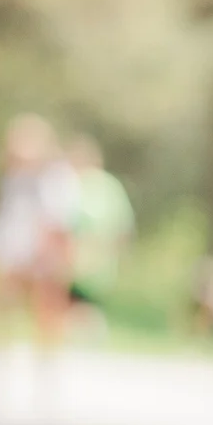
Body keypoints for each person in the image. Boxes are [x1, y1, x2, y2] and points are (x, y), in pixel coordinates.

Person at [0, 113, 77, 390]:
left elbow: (60, 219)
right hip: (12, 246)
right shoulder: (11, 176)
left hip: (42, 251)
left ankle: (46, 365)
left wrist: (55, 253)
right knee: (5, 304)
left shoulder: (56, 177)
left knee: (45, 311)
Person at [63, 133, 134, 344]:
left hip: (95, 259)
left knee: (85, 306)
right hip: (73, 258)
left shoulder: (106, 187)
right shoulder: (69, 184)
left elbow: (121, 227)